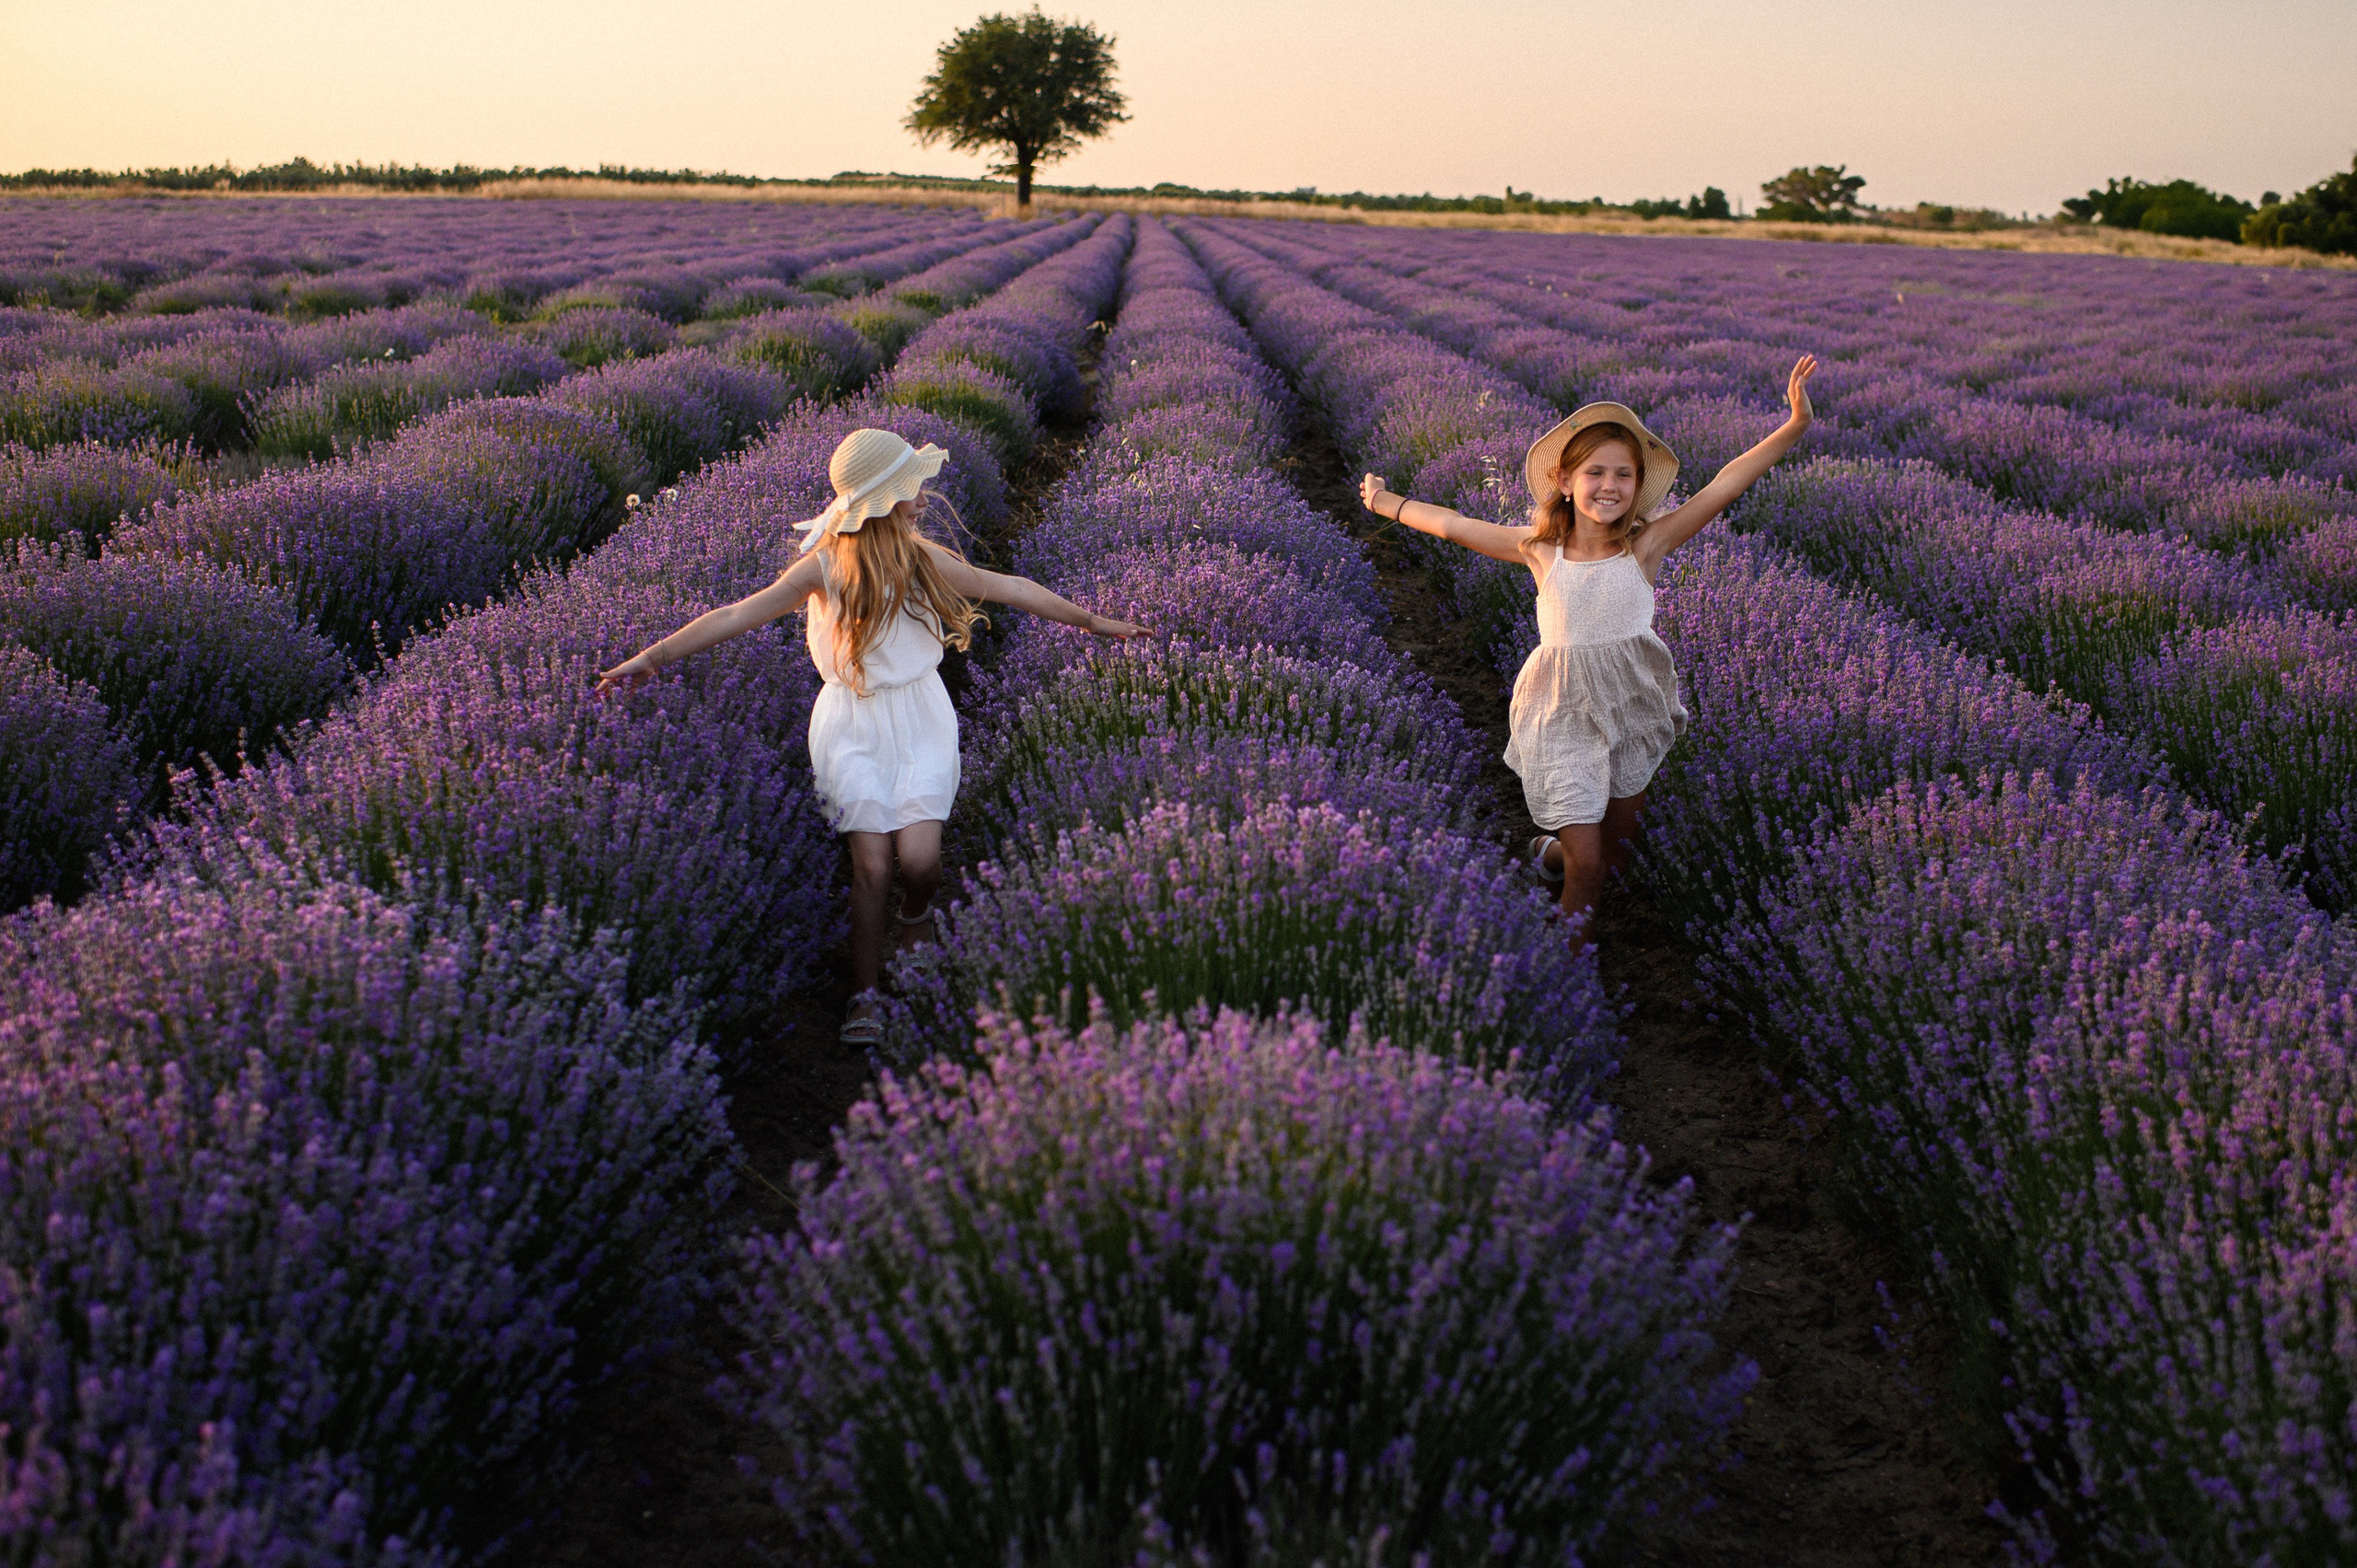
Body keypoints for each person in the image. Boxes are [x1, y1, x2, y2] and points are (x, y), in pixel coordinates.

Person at [597, 427, 1146, 1042]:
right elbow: (735, 614)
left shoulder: (920, 558)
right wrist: (651, 657)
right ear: (884, 499)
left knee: (920, 862)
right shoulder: (824, 566)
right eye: (909, 487)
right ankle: (864, 993)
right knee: (872, 867)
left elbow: (1009, 588)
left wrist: (1093, 621)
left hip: (919, 720)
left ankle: (916, 915)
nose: (921, 496)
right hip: (850, 725)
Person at [1359, 355, 1817, 945]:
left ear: (1636, 486)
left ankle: (1549, 856)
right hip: (1563, 716)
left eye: (1623, 475)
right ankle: (1568, 976)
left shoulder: (1646, 547)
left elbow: (1725, 483)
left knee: (1618, 859)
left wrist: (1795, 424)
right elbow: (1452, 525)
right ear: (1567, 484)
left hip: (1630, 708)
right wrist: (1383, 502)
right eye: (1595, 473)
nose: (1609, 486)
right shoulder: (1539, 551)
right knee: (1593, 867)